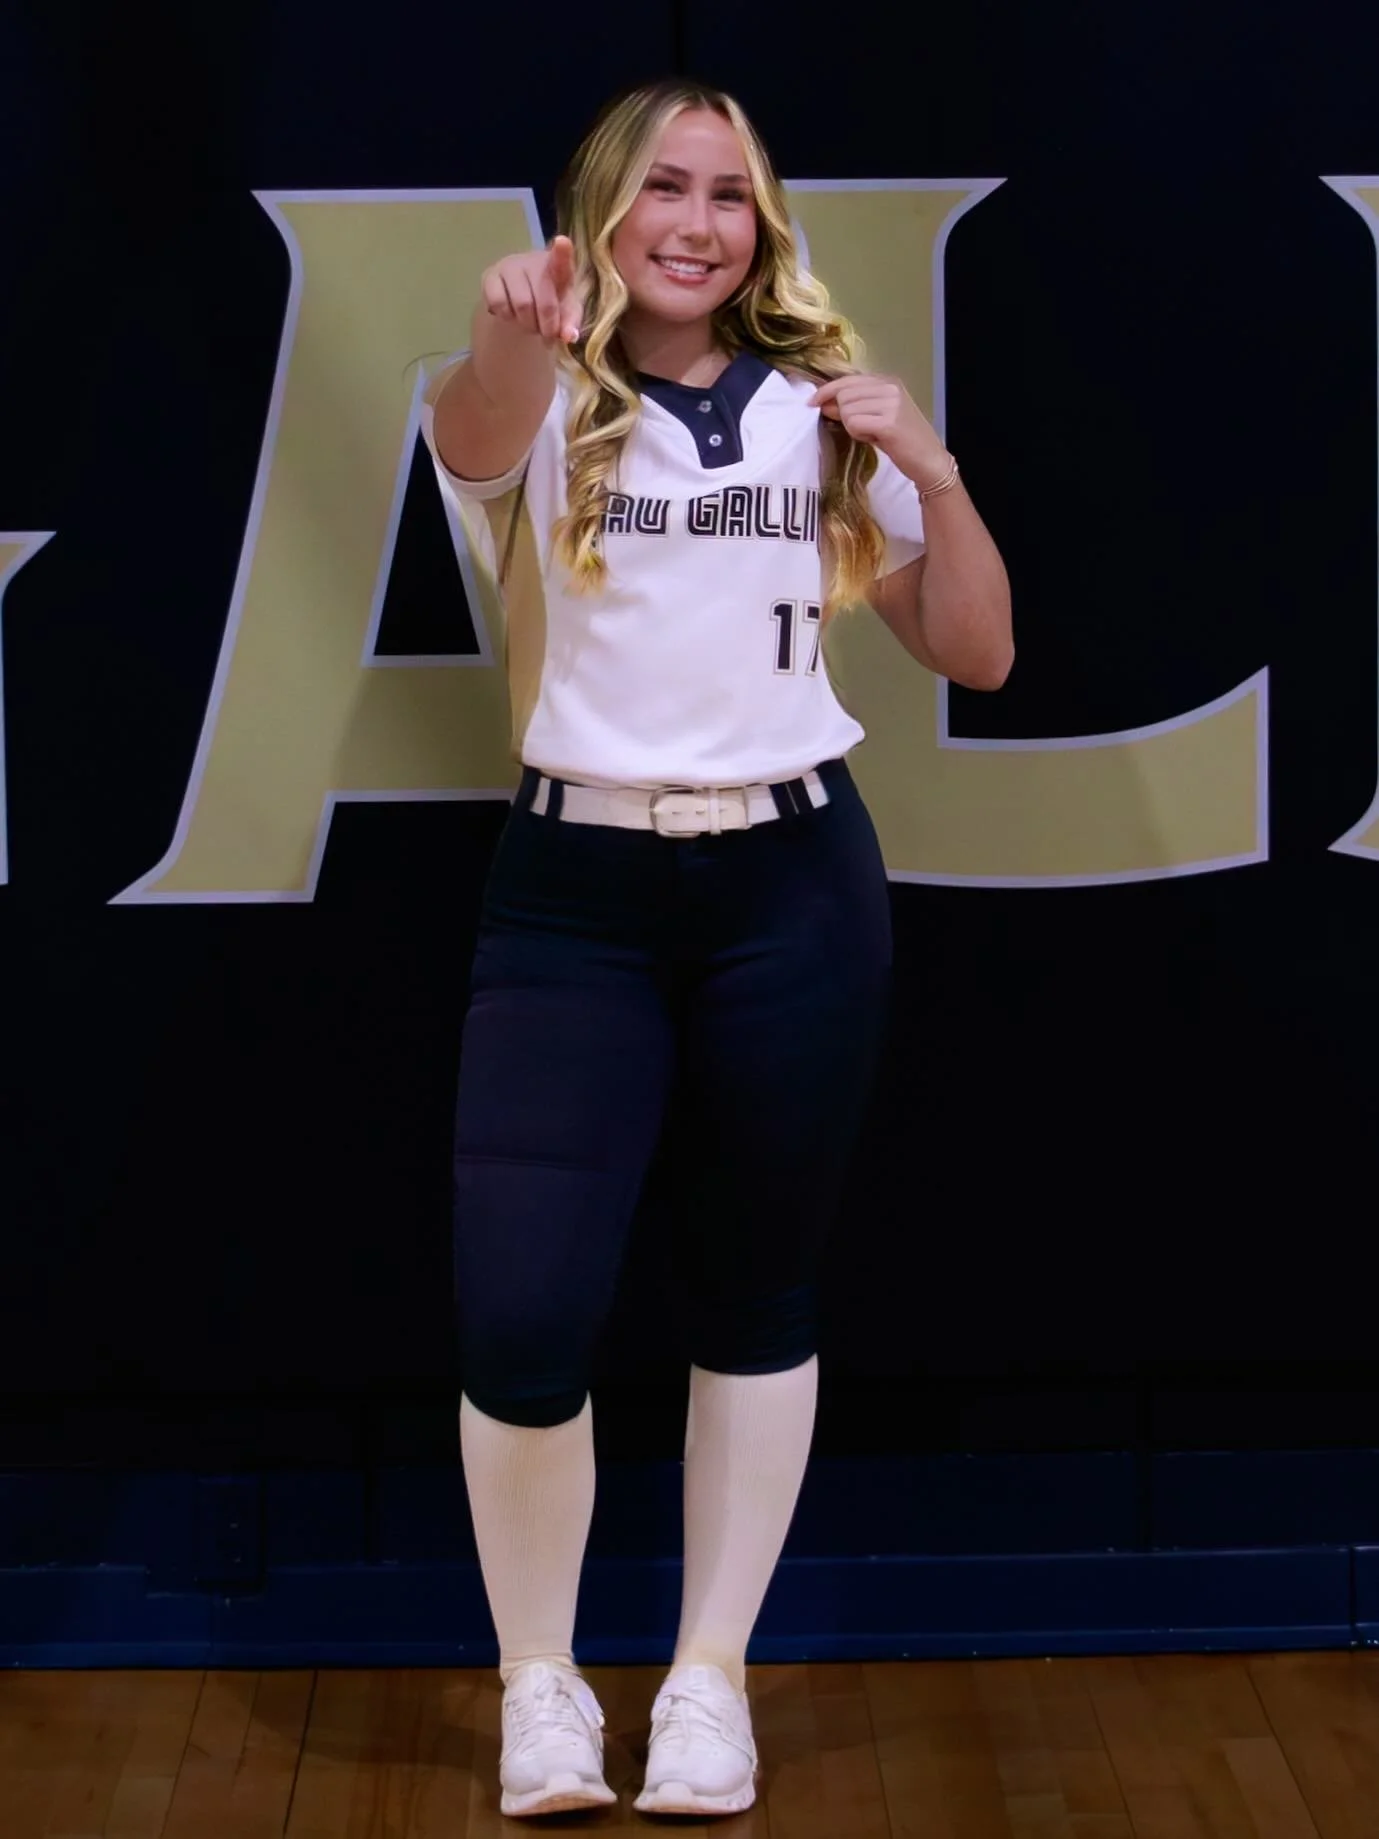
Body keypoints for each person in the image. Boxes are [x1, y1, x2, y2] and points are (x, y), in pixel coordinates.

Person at [420, 77, 1012, 1821]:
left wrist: (932, 465)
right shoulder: (539, 383)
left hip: (789, 885)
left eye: (729, 195)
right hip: (576, 894)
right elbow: (471, 431)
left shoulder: (820, 413)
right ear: (602, 209)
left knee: (757, 1289)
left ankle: (702, 1682)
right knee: (523, 1309)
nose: (695, 221)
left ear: (764, 224)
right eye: (662, 188)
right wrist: (515, 328)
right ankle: (541, 1685)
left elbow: (974, 652)